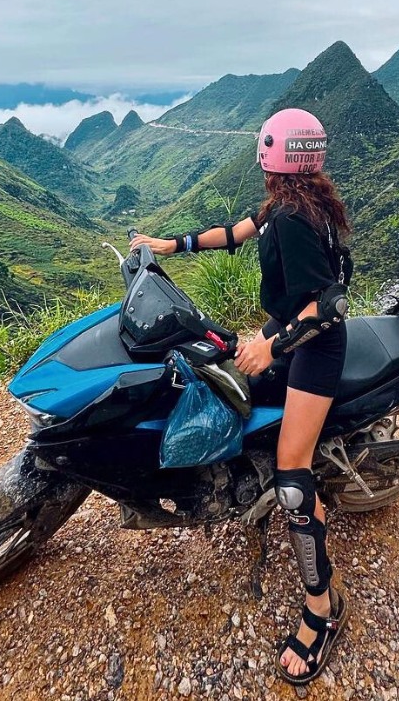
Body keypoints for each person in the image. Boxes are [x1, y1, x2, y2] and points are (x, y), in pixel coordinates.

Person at [130, 107, 352, 685]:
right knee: (222, 382)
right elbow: (237, 233)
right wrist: (169, 245)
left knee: (293, 479)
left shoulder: (298, 219)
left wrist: (272, 346)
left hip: (315, 349)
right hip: (289, 338)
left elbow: (326, 308)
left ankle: (323, 609)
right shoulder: (292, 201)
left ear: (274, 155)